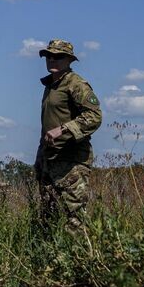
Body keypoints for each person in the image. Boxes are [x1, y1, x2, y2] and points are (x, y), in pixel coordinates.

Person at [35, 40, 102, 232]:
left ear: (69, 60)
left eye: (58, 56)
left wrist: (64, 129)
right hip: (51, 160)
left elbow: (94, 116)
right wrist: (40, 159)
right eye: (49, 56)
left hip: (71, 161)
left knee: (74, 217)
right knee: (49, 216)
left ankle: (80, 259)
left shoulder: (75, 83)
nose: (52, 59)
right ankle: (52, 258)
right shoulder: (51, 85)